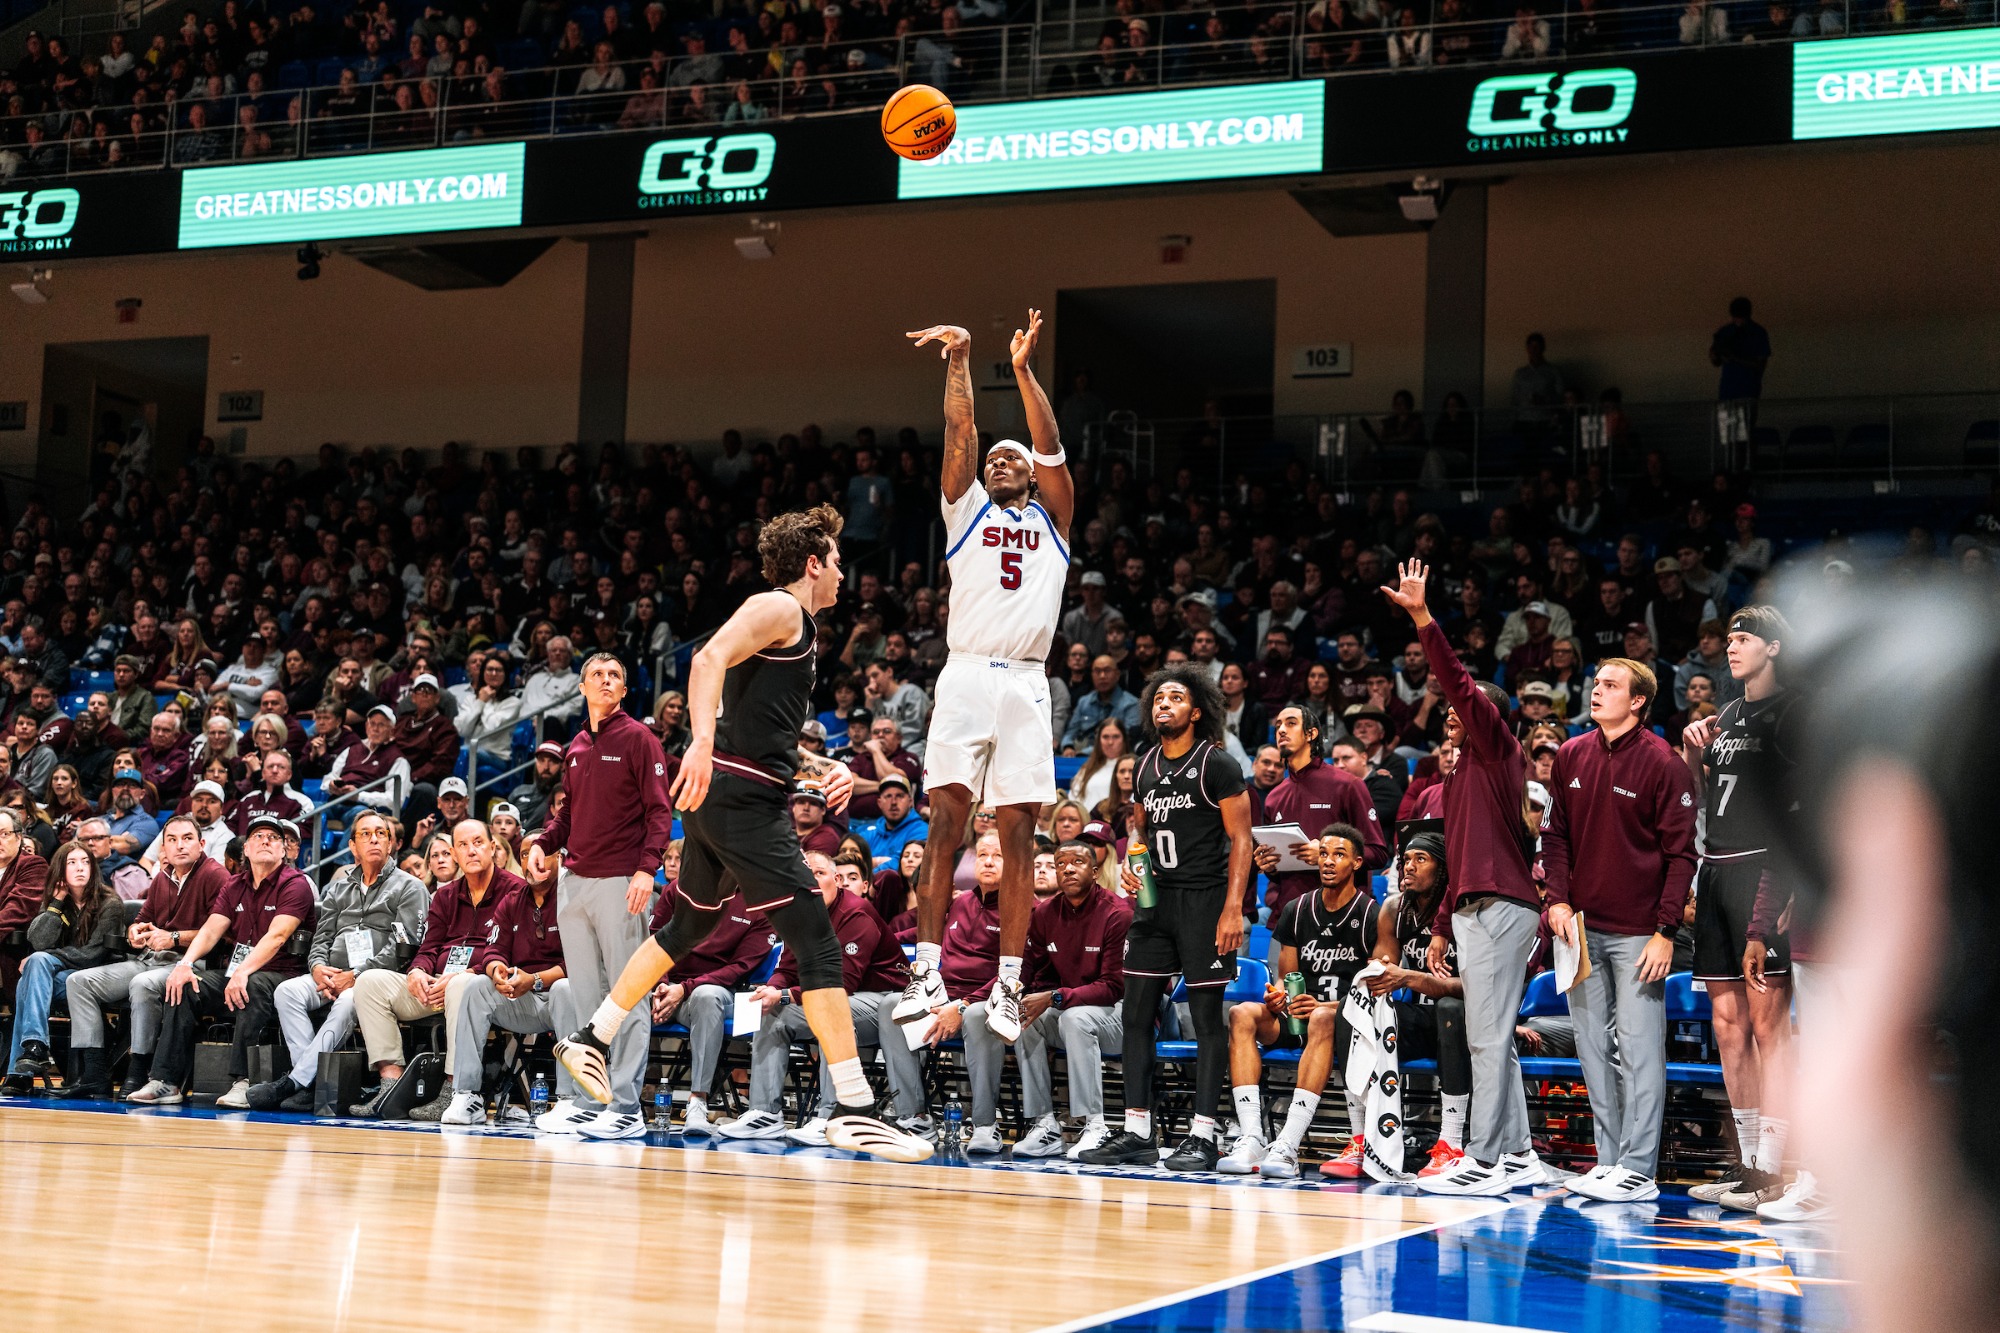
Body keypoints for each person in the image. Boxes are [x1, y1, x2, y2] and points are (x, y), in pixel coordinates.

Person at [551, 505, 931, 1161]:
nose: (843, 571)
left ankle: (593, 1034)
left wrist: (822, 764)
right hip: (738, 799)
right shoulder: (782, 608)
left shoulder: (797, 631)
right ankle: (853, 1106)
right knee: (816, 937)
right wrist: (698, 742)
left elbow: (762, 732)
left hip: (728, 793)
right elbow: (707, 659)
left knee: (686, 928)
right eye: (837, 560)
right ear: (813, 564)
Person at [895, 312, 1074, 1049]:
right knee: (945, 819)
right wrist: (962, 357)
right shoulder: (964, 508)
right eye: (993, 458)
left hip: (1027, 681)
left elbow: (1053, 445)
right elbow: (960, 431)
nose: (1000, 461)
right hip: (967, 674)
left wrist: (1025, 371)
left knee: (1019, 833)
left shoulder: (1056, 519)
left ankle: (1006, 982)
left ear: (1030, 473)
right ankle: (927, 970)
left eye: (1013, 458)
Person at [1383, 561, 1549, 1198]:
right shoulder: (1453, 780)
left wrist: (1424, 619)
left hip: (1507, 906)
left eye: (1464, 709)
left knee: (1484, 1034)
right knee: (1494, 1036)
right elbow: (1455, 856)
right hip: (1473, 907)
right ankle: (1519, 1155)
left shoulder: (1498, 749)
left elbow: (1455, 681)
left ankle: (1482, 1159)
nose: (1453, 715)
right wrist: (1442, 925)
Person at [1078, 666, 1251, 1171]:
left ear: (1196, 711)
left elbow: (1242, 839)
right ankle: (1137, 1131)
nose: (1163, 704)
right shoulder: (1146, 762)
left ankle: (1203, 1135)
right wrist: (1134, 866)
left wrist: (1234, 909)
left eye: (1176, 697)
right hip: (1155, 903)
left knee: (1204, 1018)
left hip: (1205, 900)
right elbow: (1141, 830)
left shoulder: (1216, 764)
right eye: (1158, 698)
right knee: (1135, 1015)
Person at [1541, 656, 1697, 1202]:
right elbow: (1554, 837)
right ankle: (1609, 1162)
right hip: (1578, 929)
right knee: (1590, 1049)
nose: (1597, 690)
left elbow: (1682, 855)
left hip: (1639, 933)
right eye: (1596, 683)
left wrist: (1665, 931)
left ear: (1637, 702)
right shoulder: (1570, 754)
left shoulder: (1664, 763)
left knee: (1639, 1050)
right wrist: (1556, 901)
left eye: (1611, 685)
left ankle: (1639, 1168)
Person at [1678, 606, 1798, 1211]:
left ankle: (1777, 1167)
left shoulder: (1793, 713)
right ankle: (1750, 1165)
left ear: (1774, 647)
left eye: (1745, 638)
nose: (1732, 647)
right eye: (1728, 639)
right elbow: (1695, 798)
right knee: (1728, 1028)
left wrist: (1771, 898)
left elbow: (1797, 815)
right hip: (1716, 868)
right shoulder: (1723, 716)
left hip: (1760, 868)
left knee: (1769, 1028)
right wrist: (1691, 751)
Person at [1218, 822, 1377, 1181]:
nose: (1328, 861)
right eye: (1323, 854)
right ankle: (1252, 1137)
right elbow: (1286, 977)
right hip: (1300, 1017)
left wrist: (1327, 1007)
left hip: (1346, 1023)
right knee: (1241, 1013)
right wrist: (1278, 997)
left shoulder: (1370, 913)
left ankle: (1287, 1144)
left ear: (1356, 863)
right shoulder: (1297, 908)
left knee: (1321, 1018)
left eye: (1339, 855)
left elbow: (1376, 989)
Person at [243, 811, 429, 1112]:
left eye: (381, 833)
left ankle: (295, 1081)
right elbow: (321, 938)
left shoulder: (410, 887)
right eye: (365, 834)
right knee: (286, 992)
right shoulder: (338, 889)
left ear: (391, 843)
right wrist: (317, 967)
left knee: (347, 1001)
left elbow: (404, 946)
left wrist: (355, 975)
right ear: (353, 846)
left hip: (376, 982)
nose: (374, 839)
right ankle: (313, 1083)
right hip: (331, 975)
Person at [127, 813, 318, 1105]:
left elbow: (277, 936)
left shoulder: (295, 883)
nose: (265, 841)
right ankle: (167, 1081)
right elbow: (210, 930)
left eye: (273, 837)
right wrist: (184, 965)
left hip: (283, 973)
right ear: (246, 849)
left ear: (283, 850)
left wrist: (242, 971)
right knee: (184, 985)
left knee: (251, 985)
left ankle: (244, 1081)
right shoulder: (234, 885)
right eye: (257, 836)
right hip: (240, 971)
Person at [718, 851, 907, 1145]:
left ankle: (830, 1116)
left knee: (831, 1012)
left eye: (819, 873)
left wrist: (784, 995)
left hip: (881, 999)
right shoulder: (800, 915)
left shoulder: (856, 913)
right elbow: (786, 969)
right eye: (806, 874)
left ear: (837, 879)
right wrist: (771, 990)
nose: (813, 880)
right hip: (829, 996)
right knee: (770, 1012)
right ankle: (765, 1113)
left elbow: (842, 985)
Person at [347, 818, 525, 1121]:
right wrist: (417, 972)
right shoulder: (444, 895)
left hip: (483, 987)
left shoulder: (515, 890)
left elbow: (514, 953)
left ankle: (454, 1090)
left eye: (478, 843)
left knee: (459, 987)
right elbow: (429, 948)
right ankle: (391, 1083)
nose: (471, 851)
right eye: (463, 845)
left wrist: (467, 974)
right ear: (454, 853)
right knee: (369, 982)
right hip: (437, 985)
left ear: (493, 848)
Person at [60, 814, 227, 1099]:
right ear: (163, 847)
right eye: (172, 840)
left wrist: (174, 937)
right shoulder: (162, 878)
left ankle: (138, 1069)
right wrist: (135, 931)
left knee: (143, 984)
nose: (180, 846)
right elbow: (142, 918)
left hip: (194, 963)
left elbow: (220, 932)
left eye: (187, 839)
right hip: (150, 959)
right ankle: (95, 1073)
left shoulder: (216, 875)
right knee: (78, 982)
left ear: (201, 844)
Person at [986, 838, 1132, 1159]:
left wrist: (1055, 997)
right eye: (1060, 863)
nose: (1067, 869)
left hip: (1123, 1016)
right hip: (1070, 1008)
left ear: (1095, 872)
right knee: (1027, 1017)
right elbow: (1033, 968)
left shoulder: (1117, 913)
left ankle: (1095, 1125)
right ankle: (1046, 1126)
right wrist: (1010, 995)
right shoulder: (1045, 914)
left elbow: (1112, 987)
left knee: (1074, 1018)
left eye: (1077, 862)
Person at [1365, 831, 1473, 1177]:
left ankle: (1451, 1141)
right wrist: (1372, 976)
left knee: (1450, 1009)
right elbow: (1382, 973)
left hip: (1471, 1023)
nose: (1408, 867)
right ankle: (1365, 1138)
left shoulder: (1466, 908)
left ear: (1443, 869)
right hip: (1428, 1022)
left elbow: (1480, 988)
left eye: (1420, 860)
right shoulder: (1395, 908)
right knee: (1363, 1014)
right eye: (1405, 860)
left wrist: (1415, 979)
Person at [441, 840, 571, 1125]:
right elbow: (494, 949)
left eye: (540, 853)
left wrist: (536, 979)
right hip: (523, 999)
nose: (531, 860)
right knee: (475, 985)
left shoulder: (574, 898)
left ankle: (569, 1100)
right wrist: (496, 969)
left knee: (564, 988)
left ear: (559, 858)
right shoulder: (512, 900)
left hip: (568, 1000)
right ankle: (467, 1095)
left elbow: (582, 963)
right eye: (525, 854)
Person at [636, 886, 773, 1138]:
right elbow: (655, 940)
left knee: (707, 996)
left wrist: (685, 989)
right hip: (664, 987)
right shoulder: (679, 888)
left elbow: (740, 967)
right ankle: (624, 1104)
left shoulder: (758, 903)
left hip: (719, 990)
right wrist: (663, 984)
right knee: (625, 995)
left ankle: (697, 1102)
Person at [4, 840, 123, 1089]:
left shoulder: (109, 903)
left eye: (85, 862)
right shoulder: (56, 901)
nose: (80, 868)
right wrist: (56, 903)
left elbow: (92, 955)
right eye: (71, 863)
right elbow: (38, 940)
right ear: (60, 870)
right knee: (31, 974)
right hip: (58, 980)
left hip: (91, 979)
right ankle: (33, 1049)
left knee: (32, 971)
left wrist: (50, 957)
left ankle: (22, 1068)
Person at [1254, 704, 1387, 916]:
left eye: (1290, 723)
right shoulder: (1273, 797)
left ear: (1311, 733)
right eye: (1278, 725)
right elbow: (1278, 874)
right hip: (1289, 915)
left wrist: (1328, 855)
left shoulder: (1348, 785)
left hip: (1342, 914)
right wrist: (1269, 866)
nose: (1281, 730)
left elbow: (1378, 853)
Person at [854, 771, 927, 869]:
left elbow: (906, 866)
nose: (893, 802)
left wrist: (872, 863)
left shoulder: (921, 831)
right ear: (879, 803)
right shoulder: (870, 833)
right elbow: (852, 860)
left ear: (910, 801)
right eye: (888, 796)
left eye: (899, 796)